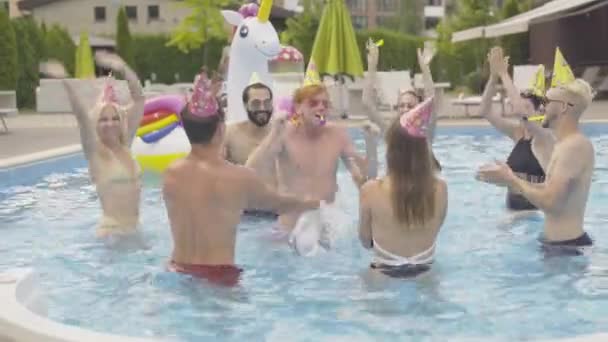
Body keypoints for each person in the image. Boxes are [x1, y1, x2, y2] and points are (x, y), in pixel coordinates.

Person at [163, 69, 319, 287]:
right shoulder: (238, 177)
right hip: (219, 276)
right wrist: (312, 203)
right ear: (220, 130)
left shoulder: (171, 173)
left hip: (176, 270)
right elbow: (280, 204)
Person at [477, 79, 596, 255]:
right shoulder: (566, 145)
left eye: (547, 102)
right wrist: (506, 178)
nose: (542, 108)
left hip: (567, 249)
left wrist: (512, 180)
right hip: (559, 246)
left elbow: (550, 202)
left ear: (563, 107)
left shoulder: (574, 147)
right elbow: (552, 191)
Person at [40, 52, 145, 238]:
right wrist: (65, 80)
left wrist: (123, 68)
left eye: (114, 118)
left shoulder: (125, 145)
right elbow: (81, 115)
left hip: (135, 231)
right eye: (103, 120)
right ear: (95, 123)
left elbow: (139, 98)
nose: (110, 123)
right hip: (111, 235)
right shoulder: (95, 152)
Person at [245, 83, 369, 238]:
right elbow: (251, 170)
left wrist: (370, 143)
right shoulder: (284, 134)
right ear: (298, 108)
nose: (321, 107)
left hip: (327, 228)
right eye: (313, 103)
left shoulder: (337, 135)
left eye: (325, 104)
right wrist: (274, 132)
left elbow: (362, 177)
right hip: (290, 229)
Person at [359, 97, 448, 278]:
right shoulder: (440, 188)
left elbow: (366, 241)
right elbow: (436, 229)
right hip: (426, 273)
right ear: (424, 151)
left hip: (382, 274)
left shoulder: (371, 190)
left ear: (391, 149)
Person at [479, 47, 556, 211]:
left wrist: (503, 73)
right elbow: (485, 111)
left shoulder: (546, 137)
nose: (521, 110)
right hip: (513, 209)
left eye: (527, 107)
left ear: (539, 112)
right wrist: (493, 78)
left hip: (537, 211)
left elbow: (519, 111)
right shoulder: (517, 132)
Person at [362, 39, 441, 171]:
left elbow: (431, 99)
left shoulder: (425, 131)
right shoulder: (391, 131)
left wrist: (425, 69)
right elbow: (367, 103)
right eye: (402, 105)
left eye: (410, 106)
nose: (405, 109)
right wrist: (371, 67)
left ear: (419, 109)